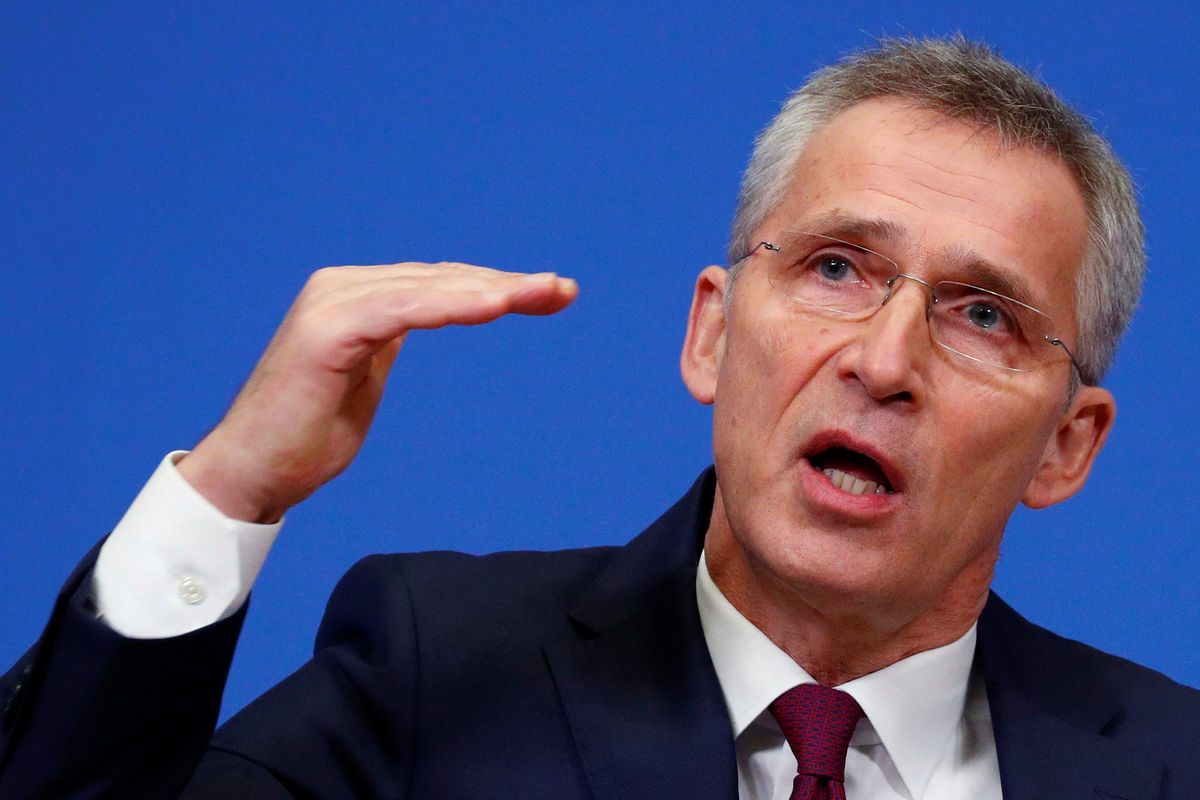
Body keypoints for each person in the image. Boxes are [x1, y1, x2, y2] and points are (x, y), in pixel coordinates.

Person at [1, 36, 1197, 800]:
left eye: (983, 314)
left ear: (1067, 443)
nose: (885, 361)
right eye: (836, 267)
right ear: (712, 333)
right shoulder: (439, 671)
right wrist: (230, 489)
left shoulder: (1170, 762)